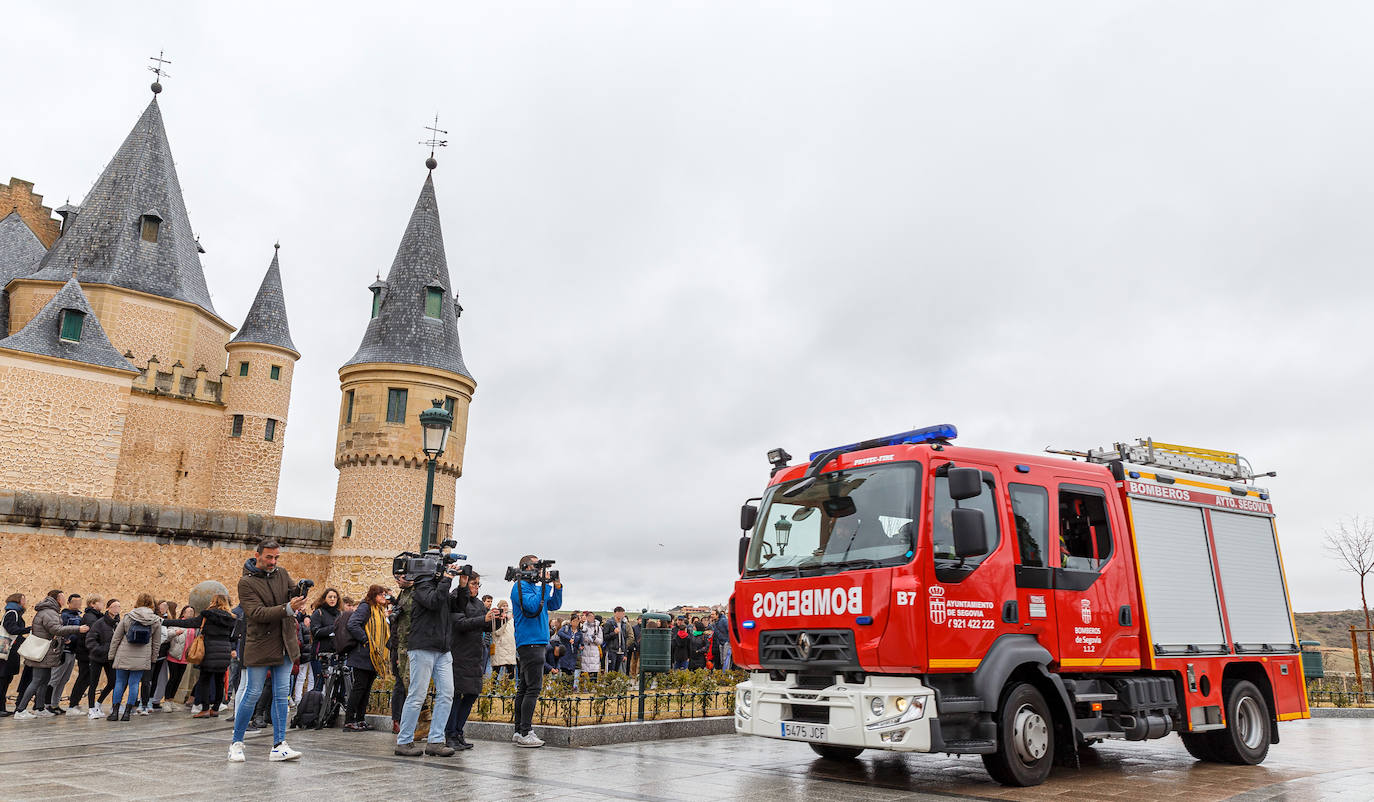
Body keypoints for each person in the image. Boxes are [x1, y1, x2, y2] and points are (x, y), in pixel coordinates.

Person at [227, 539, 308, 763]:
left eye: (276, 557)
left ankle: (279, 744)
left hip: (284, 642)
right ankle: (236, 743)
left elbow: (292, 591)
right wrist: (289, 608)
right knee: (252, 693)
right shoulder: (246, 582)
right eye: (269, 557)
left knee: (282, 695)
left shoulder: (281, 573)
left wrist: (302, 589)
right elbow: (256, 613)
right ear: (258, 555)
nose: (273, 562)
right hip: (260, 644)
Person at [395, 561, 459, 758]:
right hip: (423, 647)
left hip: (442, 649)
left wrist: (462, 585)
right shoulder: (421, 586)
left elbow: (456, 605)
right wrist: (447, 580)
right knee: (417, 695)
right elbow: (434, 601)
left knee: (447, 693)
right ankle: (404, 741)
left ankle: (435, 741)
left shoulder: (441, 587)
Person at [510, 554, 563, 748]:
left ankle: (519, 730)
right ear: (526, 567)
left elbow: (555, 604)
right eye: (536, 566)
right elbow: (532, 606)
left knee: (524, 688)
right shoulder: (520, 586)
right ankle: (526, 731)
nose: (540, 570)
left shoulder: (533, 587)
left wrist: (556, 586)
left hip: (537, 641)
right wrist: (544, 584)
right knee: (533, 688)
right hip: (530, 642)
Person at [13, 590, 89, 719]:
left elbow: (50, 631)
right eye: (63, 598)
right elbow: (56, 629)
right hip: (42, 652)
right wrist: (78, 629)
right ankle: (20, 710)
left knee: (45, 680)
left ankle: (40, 708)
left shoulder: (50, 612)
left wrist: (64, 639)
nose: (65, 601)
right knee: (36, 681)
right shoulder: (49, 613)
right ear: (57, 599)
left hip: (46, 652)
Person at [447, 572, 497, 750]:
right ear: (465, 583)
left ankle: (459, 731)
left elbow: (485, 625)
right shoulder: (456, 599)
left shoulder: (477, 603)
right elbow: (459, 623)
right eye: (474, 584)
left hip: (475, 654)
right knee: (456, 695)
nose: (476, 587)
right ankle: (450, 733)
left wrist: (497, 620)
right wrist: (483, 619)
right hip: (458, 653)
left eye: (478, 584)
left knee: (472, 693)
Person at [163, 595, 236, 718]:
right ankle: (216, 708)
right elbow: (233, 637)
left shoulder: (208, 615)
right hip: (224, 652)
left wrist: (165, 621)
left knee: (204, 679)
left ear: (214, 602)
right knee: (219, 680)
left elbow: (188, 622)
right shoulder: (231, 618)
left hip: (209, 650)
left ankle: (205, 709)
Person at [105, 593, 163, 722]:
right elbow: (156, 643)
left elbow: (116, 638)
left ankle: (114, 712)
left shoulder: (128, 617)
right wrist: (153, 659)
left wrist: (111, 655)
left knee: (119, 682)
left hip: (124, 654)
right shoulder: (155, 620)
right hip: (142, 657)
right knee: (134, 684)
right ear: (151, 604)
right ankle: (127, 713)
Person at [344, 584, 390, 732]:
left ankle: (361, 719)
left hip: (373, 656)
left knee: (366, 689)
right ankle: (349, 720)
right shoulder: (365, 607)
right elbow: (353, 624)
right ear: (374, 595)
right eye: (381, 594)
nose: (384, 597)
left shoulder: (379, 610)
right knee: (359, 688)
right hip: (362, 654)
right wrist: (366, 640)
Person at [84, 599, 120, 718]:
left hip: (110, 658)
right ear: (108, 608)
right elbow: (90, 640)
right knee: (93, 683)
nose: (116, 609)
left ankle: (98, 704)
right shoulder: (99, 623)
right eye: (114, 607)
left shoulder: (119, 623)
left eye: (118, 607)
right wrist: (101, 649)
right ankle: (91, 709)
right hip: (97, 657)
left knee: (113, 682)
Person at [69, 595, 102, 713]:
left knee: (86, 679)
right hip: (86, 653)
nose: (102, 604)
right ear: (93, 604)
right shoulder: (90, 617)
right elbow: (95, 633)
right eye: (100, 602)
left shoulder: (96, 616)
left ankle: (74, 704)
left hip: (88, 652)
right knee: (83, 678)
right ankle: (72, 705)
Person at [0, 593, 31, 716]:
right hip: (6, 651)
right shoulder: (12, 613)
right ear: (18, 600)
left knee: (6, 679)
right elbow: (12, 630)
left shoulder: (14, 613)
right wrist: (29, 629)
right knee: (2, 679)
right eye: (24, 599)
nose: (25, 601)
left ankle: (2, 708)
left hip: (10, 650)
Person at [160, 605, 195, 710]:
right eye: (188, 611)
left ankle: (171, 700)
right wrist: (175, 633)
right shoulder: (178, 623)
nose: (190, 613)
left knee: (179, 679)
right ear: (183, 613)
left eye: (192, 612)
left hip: (186, 657)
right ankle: (166, 701)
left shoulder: (194, 626)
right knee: (173, 678)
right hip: (174, 655)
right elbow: (167, 634)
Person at [308, 588, 342, 690]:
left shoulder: (338, 614)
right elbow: (316, 632)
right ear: (324, 599)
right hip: (320, 655)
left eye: (335, 597)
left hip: (335, 655)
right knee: (319, 685)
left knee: (333, 687)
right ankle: (316, 706)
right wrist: (333, 627)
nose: (332, 599)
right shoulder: (318, 613)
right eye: (330, 597)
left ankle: (330, 706)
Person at [490, 600, 516, 680]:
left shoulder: (511, 619)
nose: (505, 607)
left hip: (510, 648)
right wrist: (504, 620)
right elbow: (497, 632)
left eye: (506, 605)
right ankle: (492, 691)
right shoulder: (496, 618)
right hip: (499, 648)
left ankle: (508, 690)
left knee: (511, 672)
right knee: (496, 672)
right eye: (503, 606)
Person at [603, 607, 634, 674]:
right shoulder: (609, 623)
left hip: (621, 651)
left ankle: (614, 684)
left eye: (622, 614)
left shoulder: (624, 624)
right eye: (619, 614)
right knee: (611, 671)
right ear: (615, 613)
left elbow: (625, 639)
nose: (621, 616)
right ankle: (609, 684)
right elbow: (605, 637)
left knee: (617, 671)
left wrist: (625, 653)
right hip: (612, 650)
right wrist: (614, 633)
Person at [577, 611, 602, 687]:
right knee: (584, 670)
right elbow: (581, 638)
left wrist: (594, 639)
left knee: (594, 671)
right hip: (585, 651)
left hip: (594, 651)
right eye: (589, 616)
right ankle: (582, 687)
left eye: (592, 616)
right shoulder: (583, 627)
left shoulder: (598, 627)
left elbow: (600, 641)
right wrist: (587, 638)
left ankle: (593, 687)